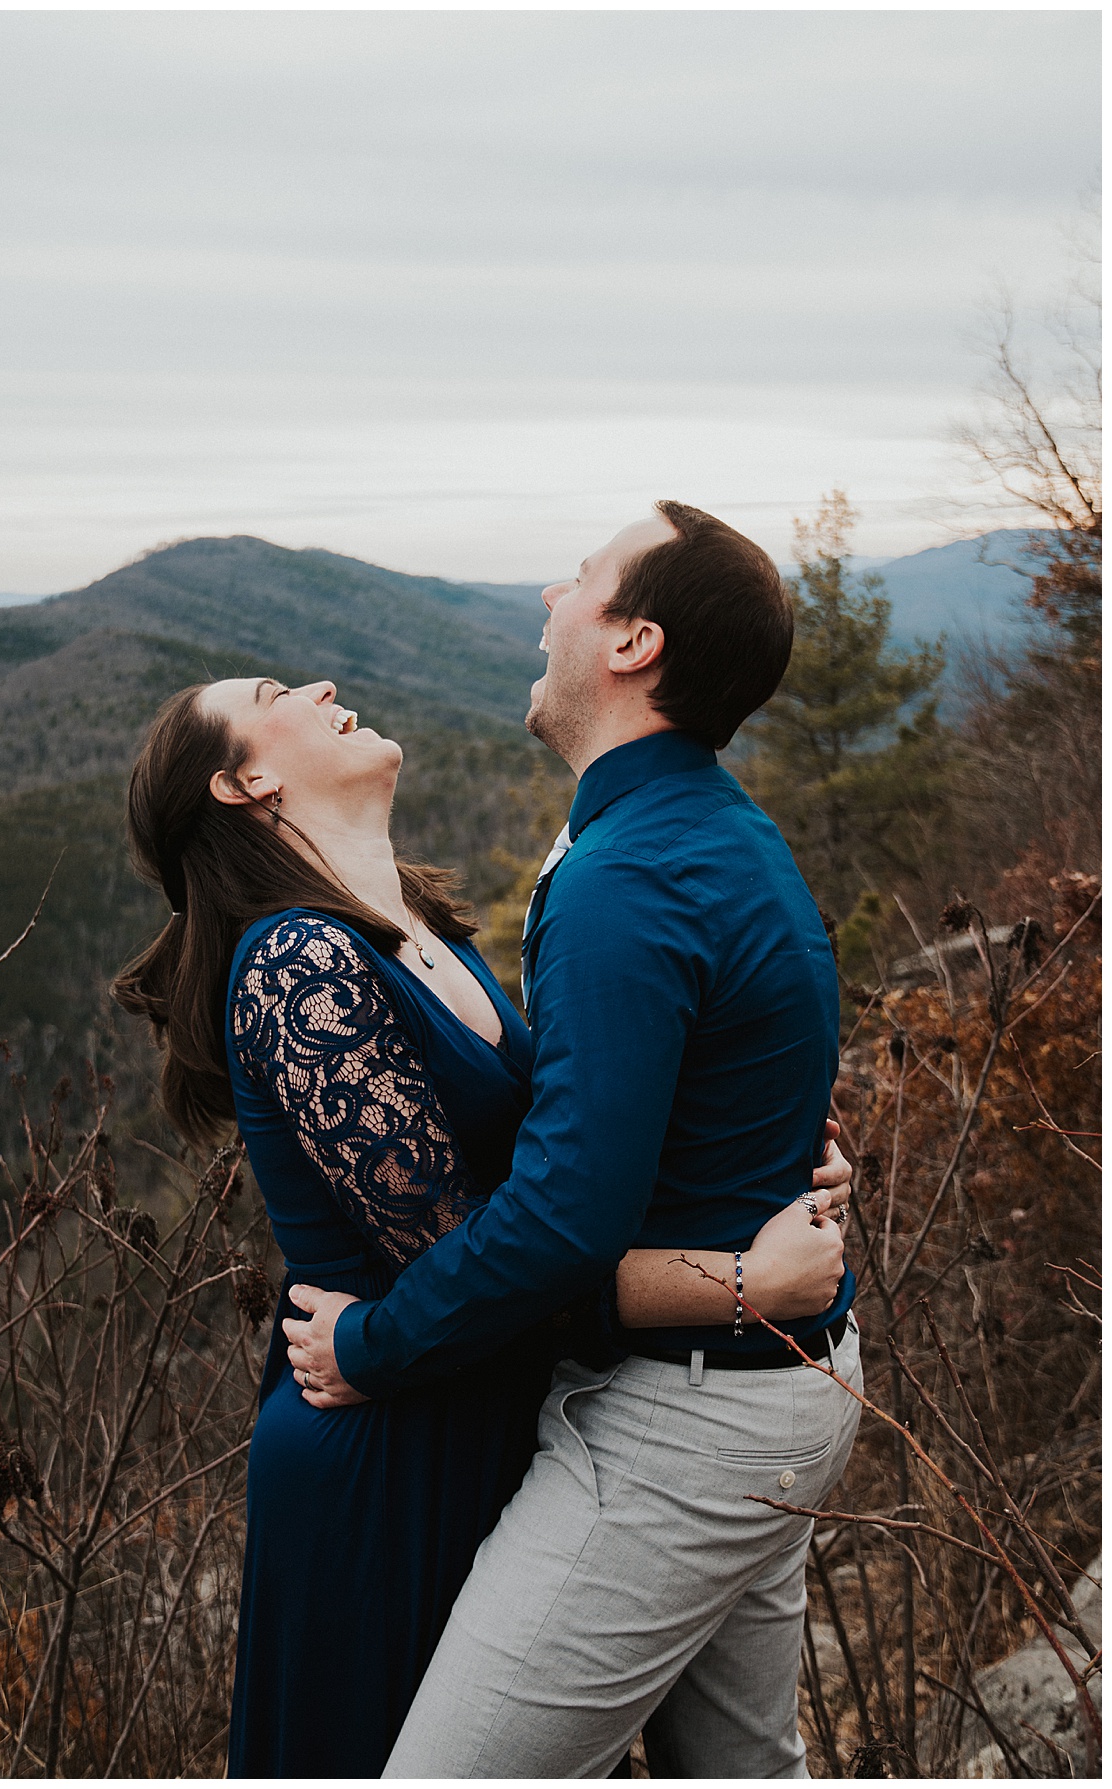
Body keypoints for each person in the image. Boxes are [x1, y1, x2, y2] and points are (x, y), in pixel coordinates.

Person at [111, 660, 853, 1778]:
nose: (319, 686)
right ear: (244, 782)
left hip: (488, 1415)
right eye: (273, 696)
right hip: (386, 1447)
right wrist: (738, 1281)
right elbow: (488, 1267)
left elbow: (577, 1150)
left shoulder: (413, 924)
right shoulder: (296, 965)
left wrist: (774, 1137)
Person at [286, 500, 863, 1779]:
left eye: (583, 580)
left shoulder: (630, 877)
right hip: (776, 1384)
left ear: (631, 643)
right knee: (744, 1768)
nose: (553, 593)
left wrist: (371, 1344)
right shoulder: (694, 831)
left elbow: (562, 1223)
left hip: (681, 1428)